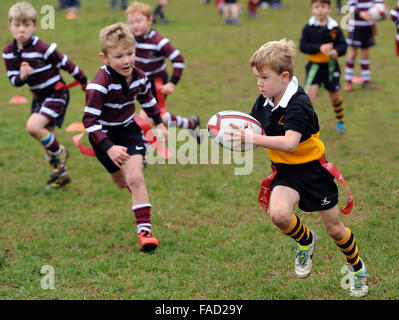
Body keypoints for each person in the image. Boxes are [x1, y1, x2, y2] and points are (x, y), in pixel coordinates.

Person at [226, 39, 369, 297]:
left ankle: (356, 267)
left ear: (284, 77)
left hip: (313, 172)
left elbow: (290, 142)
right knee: (278, 215)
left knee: (335, 230)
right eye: (256, 77)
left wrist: (253, 139)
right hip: (286, 173)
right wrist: (234, 136)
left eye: (264, 77)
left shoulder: (299, 103)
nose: (259, 83)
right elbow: (254, 131)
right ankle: (306, 241)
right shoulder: (265, 100)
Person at [83, 23, 168, 253]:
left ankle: (145, 231)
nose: (127, 60)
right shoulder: (98, 86)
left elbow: (148, 100)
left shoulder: (140, 76)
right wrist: (109, 148)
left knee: (136, 179)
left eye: (130, 53)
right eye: (119, 56)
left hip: (129, 130)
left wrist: (159, 123)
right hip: (103, 137)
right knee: (122, 183)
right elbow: (89, 123)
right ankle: (132, 181)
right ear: (105, 57)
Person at [3, 2, 87, 189]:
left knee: (33, 127)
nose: (21, 30)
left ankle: (61, 152)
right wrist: (22, 77)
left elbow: (66, 63)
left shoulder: (42, 48)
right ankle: (61, 176)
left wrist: (84, 81)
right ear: (10, 26)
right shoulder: (9, 53)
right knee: (46, 139)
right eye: (17, 25)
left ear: (34, 25)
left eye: (26, 25)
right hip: (38, 98)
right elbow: (13, 81)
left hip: (56, 94)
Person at [126, 2, 202, 144]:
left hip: (157, 85)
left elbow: (178, 61)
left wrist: (172, 83)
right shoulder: (130, 40)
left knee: (145, 118)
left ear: (150, 20)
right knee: (158, 117)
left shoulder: (159, 42)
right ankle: (191, 124)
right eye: (131, 22)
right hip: (139, 84)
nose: (134, 25)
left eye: (138, 21)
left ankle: (141, 153)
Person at [300, 0, 347, 134]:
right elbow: (303, 47)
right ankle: (306, 127)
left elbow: (343, 45)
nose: (320, 10)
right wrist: (319, 48)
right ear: (312, 9)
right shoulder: (308, 28)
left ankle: (340, 121)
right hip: (314, 67)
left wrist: (336, 51)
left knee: (334, 96)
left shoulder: (334, 28)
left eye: (323, 6)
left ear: (329, 8)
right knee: (309, 97)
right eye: (317, 7)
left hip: (331, 68)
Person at [344, 0, 383, 91]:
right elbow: (351, 7)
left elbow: (378, 4)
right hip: (356, 28)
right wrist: (361, 14)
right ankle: (348, 82)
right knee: (352, 54)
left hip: (368, 27)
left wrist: (382, 10)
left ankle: (366, 81)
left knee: (365, 54)